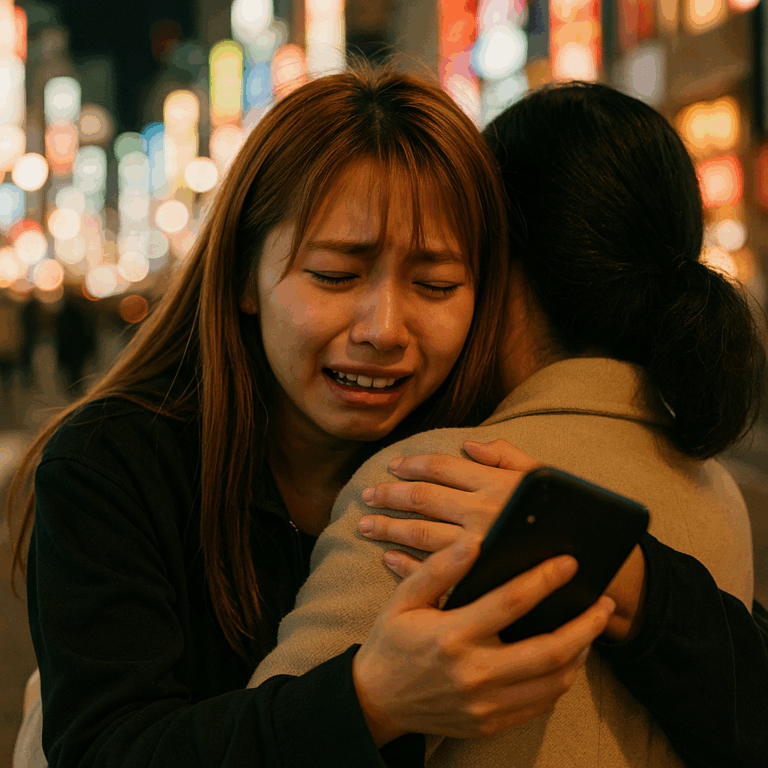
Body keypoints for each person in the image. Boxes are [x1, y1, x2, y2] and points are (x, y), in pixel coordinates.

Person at [8, 66, 615, 768]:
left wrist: (633, 574)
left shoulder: (492, 456)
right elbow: (105, 749)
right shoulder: (114, 461)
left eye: (435, 284)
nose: (384, 328)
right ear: (243, 277)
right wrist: (367, 703)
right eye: (335, 274)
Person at [246, 81, 768, 767]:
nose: (386, 327)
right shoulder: (715, 491)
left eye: (436, 277)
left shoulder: (438, 482)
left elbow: (265, 740)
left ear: (498, 269)